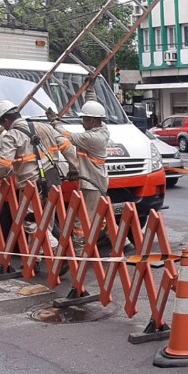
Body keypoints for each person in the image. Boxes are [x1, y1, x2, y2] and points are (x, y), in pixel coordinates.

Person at [0, 100, 79, 273]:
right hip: (53, 180)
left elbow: (4, 166)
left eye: (1, 123)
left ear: (5, 120)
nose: (3, 127)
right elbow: (69, 148)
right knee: (46, 222)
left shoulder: (11, 135)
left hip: (32, 185)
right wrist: (74, 168)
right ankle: (35, 259)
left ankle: (57, 251)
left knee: (31, 223)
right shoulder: (44, 127)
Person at [47, 76, 113, 256]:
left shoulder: (92, 138)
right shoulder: (101, 127)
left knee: (81, 220)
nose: (82, 122)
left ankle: (78, 252)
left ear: (92, 121)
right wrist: (89, 89)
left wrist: (54, 122)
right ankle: (105, 239)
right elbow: (92, 105)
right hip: (94, 182)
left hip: (92, 184)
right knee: (91, 215)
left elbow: (67, 136)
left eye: (84, 119)